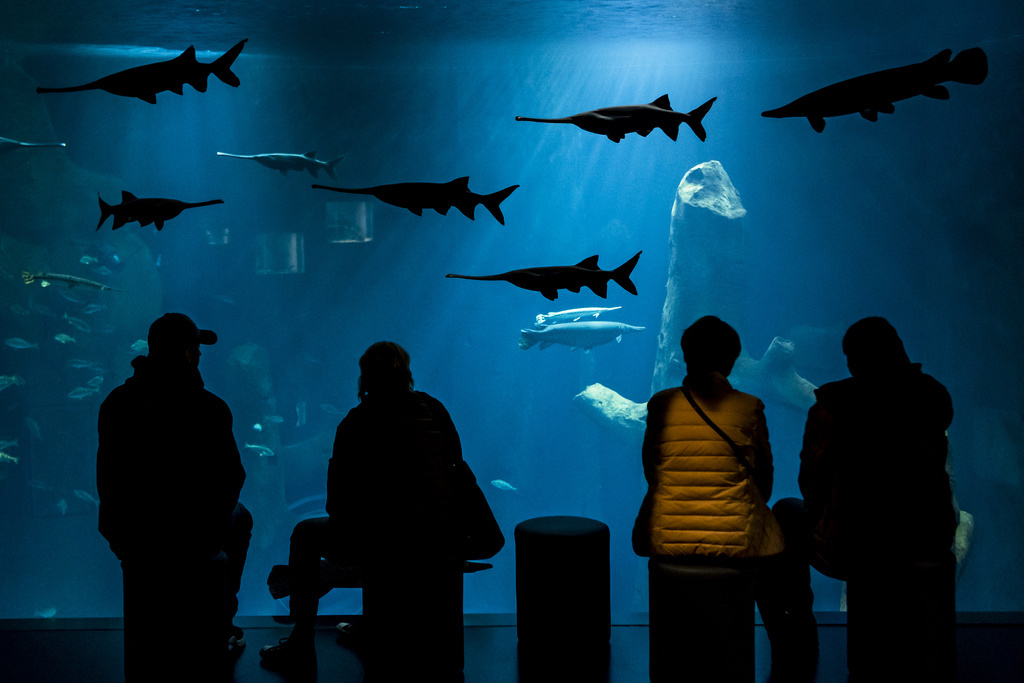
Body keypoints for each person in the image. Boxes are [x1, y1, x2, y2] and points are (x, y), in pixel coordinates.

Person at [259, 341, 465, 678]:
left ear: (365, 378)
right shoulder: (434, 409)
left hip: (384, 540)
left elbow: (337, 501)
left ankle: (300, 640)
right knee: (384, 525)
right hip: (441, 535)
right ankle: (373, 621)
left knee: (306, 534)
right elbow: (457, 468)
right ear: (407, 374)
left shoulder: (357, 421)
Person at [772, 316, 956, 679]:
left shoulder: (833, 404)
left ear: (854, 360)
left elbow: (810, 481)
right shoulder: (934, 396)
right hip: (927, 535)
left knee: (783, 512)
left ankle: (798, 639)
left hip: (859, 542)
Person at [632, 316, 790, 670]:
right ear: (733, 361)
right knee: (777, 532)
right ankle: (788, 645)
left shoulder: (660, 405)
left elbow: (652, 472)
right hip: (736, 544)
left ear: (685, 357)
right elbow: (764, 485)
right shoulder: (750, 407)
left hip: (665, 539)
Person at [97, 313, 252, 656]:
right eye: (195, 347)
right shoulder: (208, 408)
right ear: (185, 353)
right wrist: (207, 519)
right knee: (242, 518)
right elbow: (233, 477)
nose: (199, 354)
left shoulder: (116, 403)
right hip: (193, 534)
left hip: (131, 535)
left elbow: (108, 479)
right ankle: (221, 620)